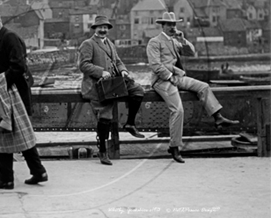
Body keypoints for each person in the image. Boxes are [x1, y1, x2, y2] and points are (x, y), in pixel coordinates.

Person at [146, 12, 240, 163]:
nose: (172, 27)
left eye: (174, 24)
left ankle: (218, 117)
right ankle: (175, 147)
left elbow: (191, 52)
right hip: (162, 81)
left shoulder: (174, 42)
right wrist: (170, 77)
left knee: (203, 86)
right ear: (162, 25)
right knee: (178, 110)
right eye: (169, 24)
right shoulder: (154, 42)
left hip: (177, 77)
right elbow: (156, 65)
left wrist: (182, 39)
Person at [0, 8, 47, 190]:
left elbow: (18, 67)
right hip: (7, 93)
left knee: (5, 134)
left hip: (10, 94)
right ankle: (38, 171)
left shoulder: (8, 38)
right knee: (18, 133)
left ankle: (7, 178)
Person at [78, 15, 145, 166]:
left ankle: (130, 123)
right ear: (94, 29)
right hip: (98, 87)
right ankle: (103, 151)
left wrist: (123, 71)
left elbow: (118, 61)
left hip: (114, 83)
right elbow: (83, 65)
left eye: (105, 27)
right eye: (100, 27)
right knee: (105, 117)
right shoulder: (88, 44)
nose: (103, 30)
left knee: (138, 91)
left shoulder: (110, 44)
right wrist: (101, 72)